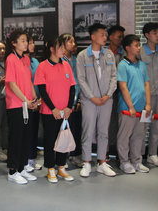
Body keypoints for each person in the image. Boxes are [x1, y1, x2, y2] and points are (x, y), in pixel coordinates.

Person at [76, 23, 118, 178]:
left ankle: (101, 163)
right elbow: (81, 79)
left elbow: (114, 77)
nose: (105, 37)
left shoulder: (109, 55)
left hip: (106, 100)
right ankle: (87, 162)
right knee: (88, 131)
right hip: (89, 100)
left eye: (105, 35)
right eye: (102, 34)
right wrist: (92, 97)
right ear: (93, 37)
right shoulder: (82, 56)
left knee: (103, 131)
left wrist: (108, 95)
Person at [34, 37, 76, 183]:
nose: (64, 50)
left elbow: (72, 88)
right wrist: (53, 109)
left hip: (65, 111)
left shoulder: (67, 65)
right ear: (52, 49)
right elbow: (42, 91)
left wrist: (69, 107)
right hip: (49, 112)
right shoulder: (42, 66)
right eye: (60, 47)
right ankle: (50, 168)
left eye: (64, 47)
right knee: (50, 140)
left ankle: (61, 167)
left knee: (63, 139)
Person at [5, 30, 38, 184]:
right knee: (16, 138)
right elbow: (12, 84)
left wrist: (34, 98)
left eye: (27, 41)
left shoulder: (26, 59)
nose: (26, 44)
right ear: (14, 43)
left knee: (26, 137)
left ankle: (21, 167)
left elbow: (29, 80)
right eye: (23, 40)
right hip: (16, 105)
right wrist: (25, 100)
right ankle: (13, 171)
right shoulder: (10, 59)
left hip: (27, 104)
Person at [116, 34, 152, 174]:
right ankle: (124, 162)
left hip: (142, 108)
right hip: (127, 109)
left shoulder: (142, 64)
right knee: (124, 136)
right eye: (136, 45)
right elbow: (123, 87)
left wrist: (148, 104)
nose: (138, 48)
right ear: (127, 47)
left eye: (139, 45)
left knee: (139, 135)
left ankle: (137, 161)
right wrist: (130, 106)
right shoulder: (122, 65)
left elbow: (147, 85)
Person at [139, 22, 158, 167]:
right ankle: (139, 155)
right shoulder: (140, 52)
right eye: (154, 33)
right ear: (147, 35)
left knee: (156, 126)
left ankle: (153, 154)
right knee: (143, 126)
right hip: (146, 96)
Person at [60, 33, 83, 168]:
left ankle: (75, 155)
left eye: (74, 42)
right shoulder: (59, 60)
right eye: (70, 42)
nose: (73, 44)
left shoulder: (77, 59)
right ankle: (62, 158)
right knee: (62, 130)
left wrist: (79, 100)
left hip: (76, 99)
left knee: (76, 129)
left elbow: (80, 80)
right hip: (63, 101)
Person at [25, 35, 43, 171]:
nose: (32, 45)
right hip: (25, 101)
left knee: (34, 131)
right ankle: (24, 160)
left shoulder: (35, 61)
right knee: (26, 132)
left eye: (32, 42)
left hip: (37, 102)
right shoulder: (20, 61)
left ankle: (31, 159)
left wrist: (39, 99)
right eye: (30, 43)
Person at [107, 25, 126, 154]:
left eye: (122, 37)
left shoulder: (124, 53)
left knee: (121, 122)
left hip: (122, 92)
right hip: (108, 92)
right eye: (119, 37)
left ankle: (120, 152)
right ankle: (106, 150)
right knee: (108, 122)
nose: (121, 39)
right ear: (111, 37)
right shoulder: (104, 53)